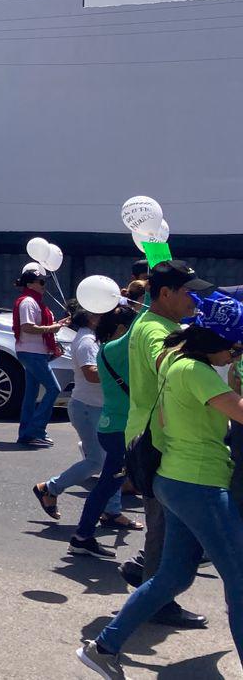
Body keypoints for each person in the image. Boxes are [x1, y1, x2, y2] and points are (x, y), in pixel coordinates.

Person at [78, 294, 243, 678]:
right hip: (198, 483)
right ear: (215, 342)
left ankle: (103, 647)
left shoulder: (178, 360)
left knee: (173, 575)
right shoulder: (197, 372)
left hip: (175, 479)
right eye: (234, 347)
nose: (236, 355)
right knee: (239, 578)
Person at [118, 260, 212, 629]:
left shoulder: (165, 323)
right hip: (156, 440)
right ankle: (155, 599)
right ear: (165, 293)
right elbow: (166, 359)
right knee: (166, 524)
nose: (195, 298)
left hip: (156, 435)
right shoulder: (157, 328)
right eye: (188, 291)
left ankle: (149, 579)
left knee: (169, 523)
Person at [33, 309, 122, 525]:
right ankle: (50, 488)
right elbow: (91, 373)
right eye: (104, 316)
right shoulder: (87, 341)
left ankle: (112, 510)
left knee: (110, 460)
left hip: (95, 407)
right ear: (93, 318)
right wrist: (122, 376)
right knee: (99, 460)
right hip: (88, 408)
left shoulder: (94, 338)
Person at [66, 304, 141, 558]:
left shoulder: (106, 348)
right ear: (121, 328)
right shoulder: (116, 349)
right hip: (118, 429)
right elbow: (147, 317)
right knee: (107, 485)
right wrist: (157, 263)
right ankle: (82, 536)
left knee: (110, 484)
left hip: (114, 427)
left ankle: (86, 533)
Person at [13, 267, 68, 446]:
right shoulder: (28, 302)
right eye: (41, 282)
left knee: (31, 394)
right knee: (54, 389)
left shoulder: (35, 301)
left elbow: (37, 327)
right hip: (31, 352)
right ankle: (35, 431)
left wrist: (57, 325)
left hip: (36, 352)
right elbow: (27, 327)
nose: (44, 285)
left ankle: (26, 434)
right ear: (30, 284)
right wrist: (52, 328)